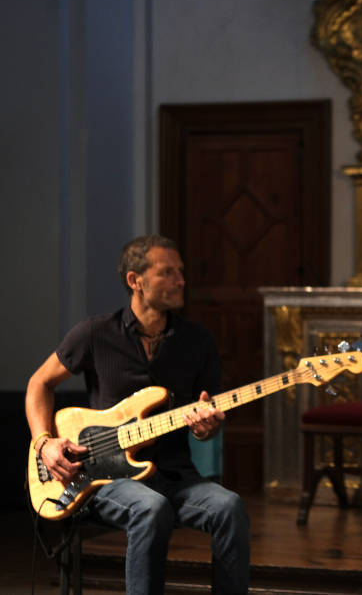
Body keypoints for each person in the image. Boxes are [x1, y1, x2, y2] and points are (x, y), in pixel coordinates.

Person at [26, 234, 250, 595]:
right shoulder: (96, 333)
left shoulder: (198, 342)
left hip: (175, 475)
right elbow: (39, 383)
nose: (181, 280)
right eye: (168, 272)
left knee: (230, 507)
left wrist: (205, 429)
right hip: (102, 479)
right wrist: (43, 443)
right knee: (150, 507)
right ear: (136, 280)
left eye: (181, 271)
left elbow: (206, 422)